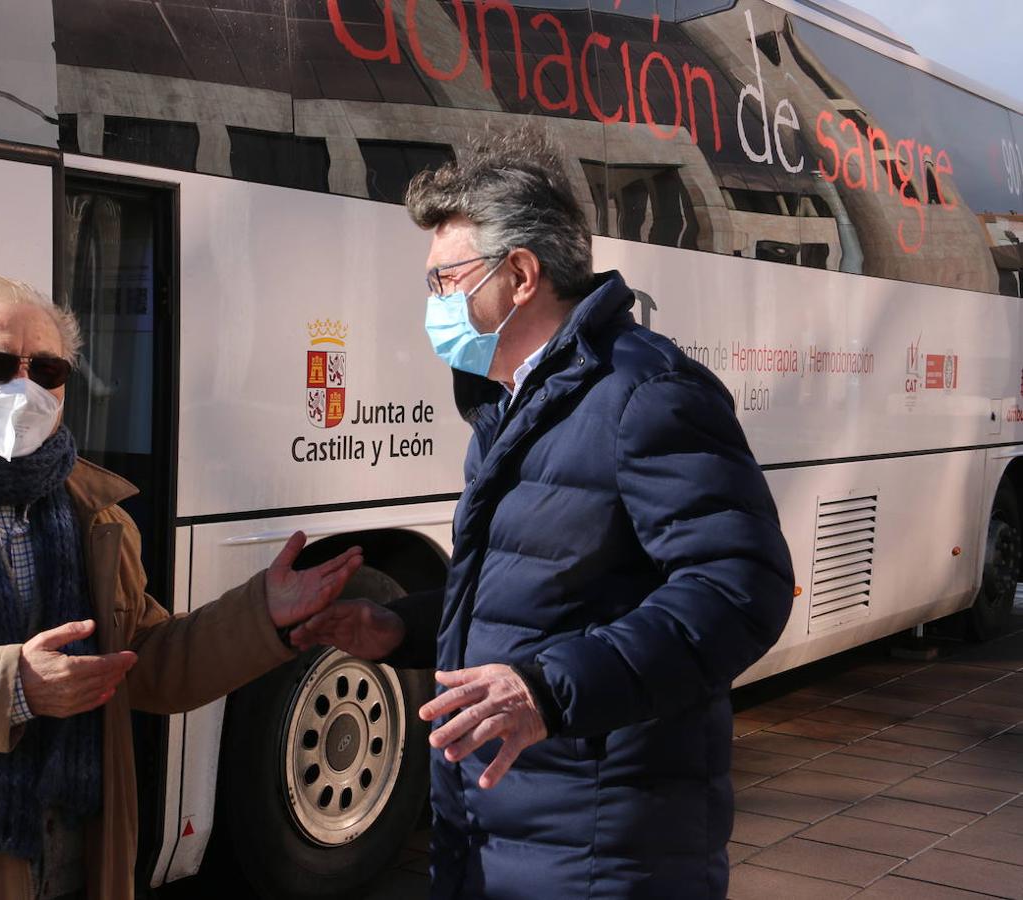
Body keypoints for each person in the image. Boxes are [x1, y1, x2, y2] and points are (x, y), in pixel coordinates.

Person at [291, 129, 795, 898]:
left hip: (601, 848)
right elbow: (545, 593)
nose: (432, 303)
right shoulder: (513, 404)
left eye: (444, 280)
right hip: (503, 830)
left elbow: (740, 591)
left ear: (520, 274)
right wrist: (399, 627)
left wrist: (547, 693)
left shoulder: (647, 392)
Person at [0, 275, 362, 900]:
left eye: (46, 369)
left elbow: (143, 664)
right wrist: (12, 687)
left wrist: (261, 614)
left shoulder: (96, 513)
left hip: (74, 854)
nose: (23, 389)